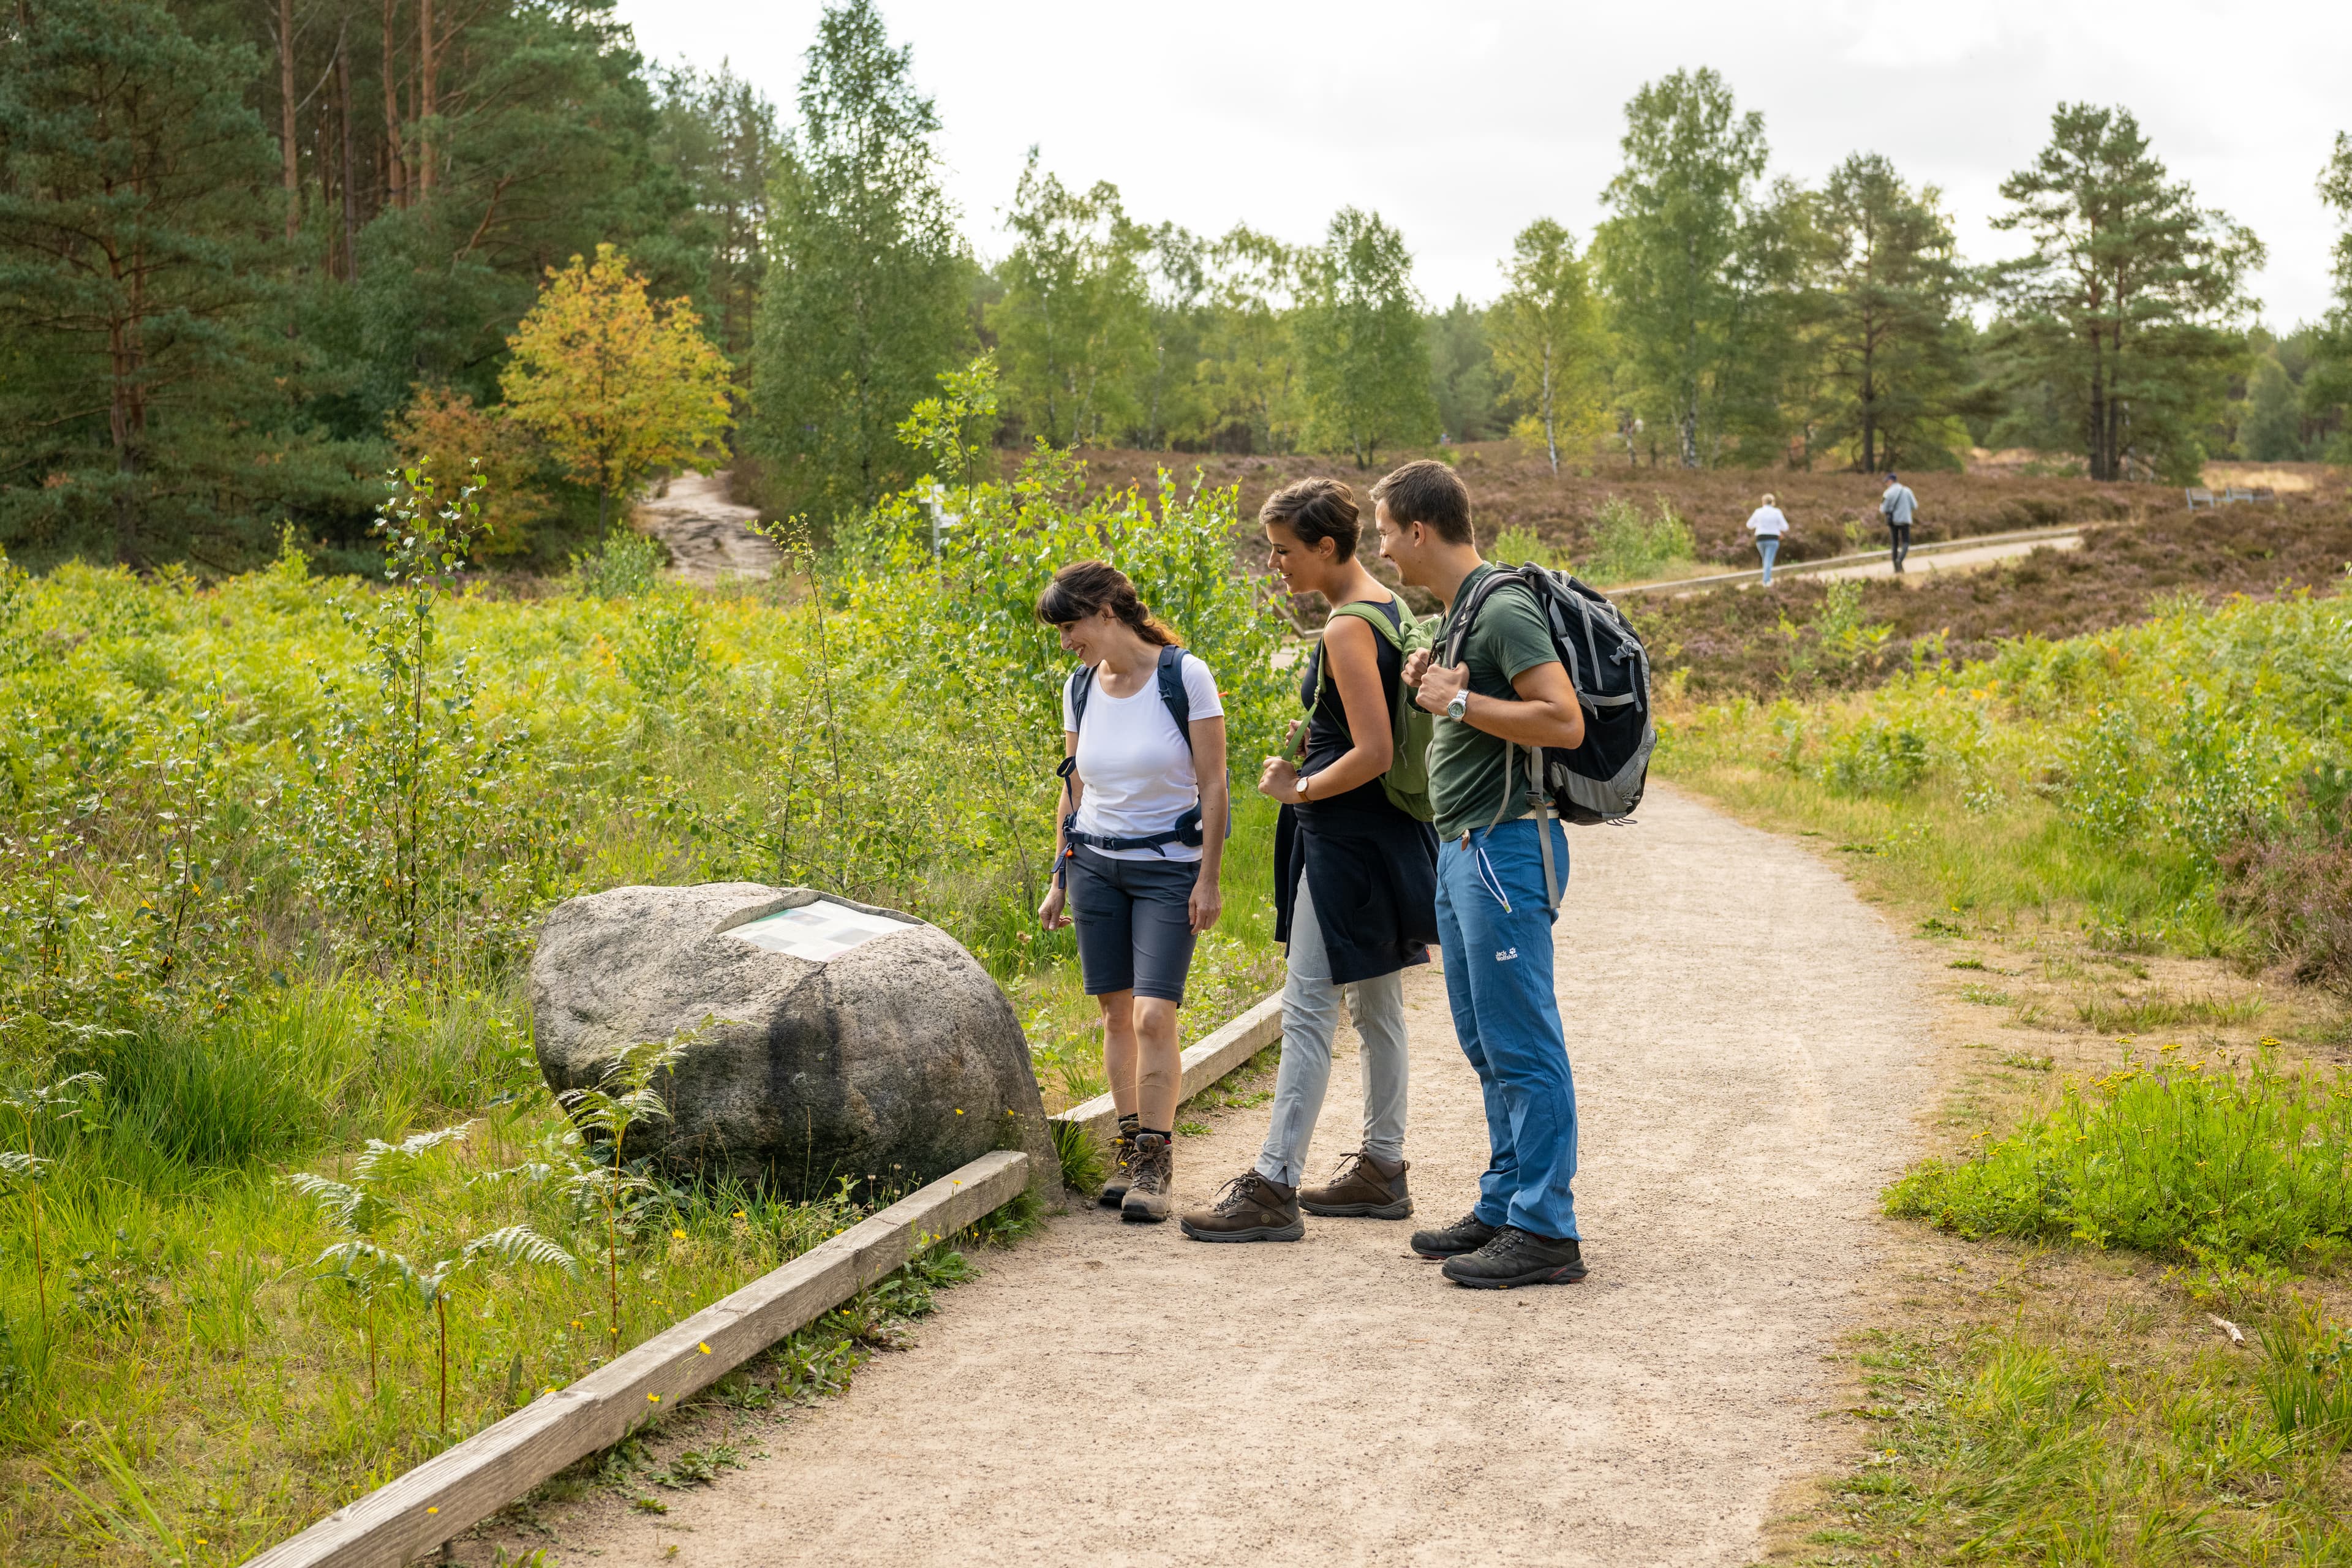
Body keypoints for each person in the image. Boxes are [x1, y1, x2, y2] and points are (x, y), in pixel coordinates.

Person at [1180, 479, 1439, 1245]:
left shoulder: (1346, 628)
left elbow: (1374, 750)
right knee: (1378, 1010)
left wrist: (1297, 790)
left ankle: (1273, 1184)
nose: (1274, 563)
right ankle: (1382, 1167)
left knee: (1307, 1012)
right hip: (1386, 835)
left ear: (1326, 547)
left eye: (1283, 550)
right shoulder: (1389, 607)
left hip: (1344, 845)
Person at [1378, 459, 1592, 1289]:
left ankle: (1546, 1229)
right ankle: (1506, 1202)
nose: (1383, 549)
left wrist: (1458, 703)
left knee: (1523, 1040)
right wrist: (1435, 689)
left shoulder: (1501, 608)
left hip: (1505, 848)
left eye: (1386, 532)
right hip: (1465, 847)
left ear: (1419, 529)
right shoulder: (1460, 613)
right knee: (1485, 1039)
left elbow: (1563, 721)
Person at [1034, 562, 1229, 1224]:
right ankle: (1129, 1152)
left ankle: (1155, 1160)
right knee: (1116, 1014)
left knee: (1152, 1015)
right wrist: (1059, 877)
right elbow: (1073, 788)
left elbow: (1214, 784)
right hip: (1094, 867)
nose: (1067, 642)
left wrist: (1209, 877)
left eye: (1071, 627)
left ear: (1106, 613)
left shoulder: (1185, 676)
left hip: (1169, 869)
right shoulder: (1081, 686)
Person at [1746, 492, 1789, 585]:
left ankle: (1767, 578)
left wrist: (1759, 525)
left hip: (1760, 539)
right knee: (1768, 560)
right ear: (1773, 502)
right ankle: (1766, 581)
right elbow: (1785, 527)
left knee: (1766, 560)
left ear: (1763, 502)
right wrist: (1776, 527)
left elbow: (1749, 525)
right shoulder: (1777, 512)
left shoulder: (1758, 512)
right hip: (1773, 539)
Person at [1880, 472, 1918, 573]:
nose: (1886, 484)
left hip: (1893, 521)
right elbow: (1915, 506)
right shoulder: (1907, 491)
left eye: (1887, 482)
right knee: (1906, 542)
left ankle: (1896, 569)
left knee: (1894, 544)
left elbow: (1883, 509)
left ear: (1891, 481)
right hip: (1905, 520)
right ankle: (1900, 560)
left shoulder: (1887, 493)